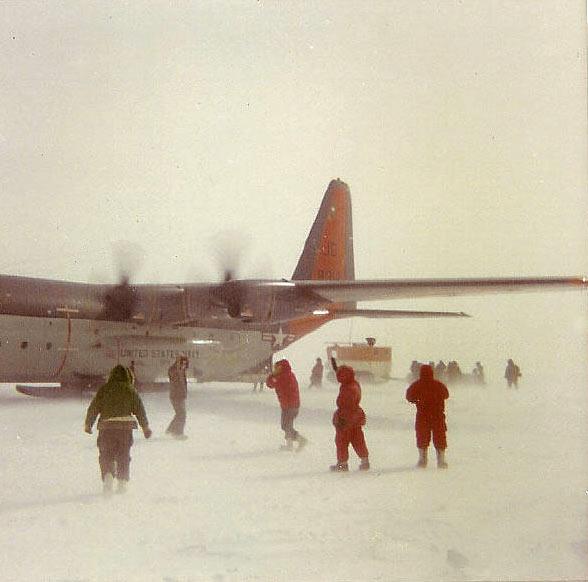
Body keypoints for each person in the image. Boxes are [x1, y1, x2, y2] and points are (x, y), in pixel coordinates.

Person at [84, 364, 152, 494]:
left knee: (106, 454)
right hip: (125, 429)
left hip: (107, 427)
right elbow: (139, 409)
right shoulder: (130, 390)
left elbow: (94, 407)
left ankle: (108, 476)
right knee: (123, 455)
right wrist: (145, 427)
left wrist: (88, 424)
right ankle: (122, 482)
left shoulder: (104, 389)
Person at [406, 364, 449, 469]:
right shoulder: (438, 384)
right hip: (438, 415)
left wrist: (417, 401)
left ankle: (422, 460)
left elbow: (409, 396)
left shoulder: (417, 385)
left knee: (422, 438)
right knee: (440, 437)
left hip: (422, 415)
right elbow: (446, 395)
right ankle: (441, 461)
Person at [330, 365, 370, 472]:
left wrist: (342, 418)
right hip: (356, 417)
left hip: (346, 418)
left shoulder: (348, 388)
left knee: (341, 441)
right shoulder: (354, 384)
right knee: (358, 439)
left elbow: (345, 404)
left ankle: (342, 464)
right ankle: (365, 460)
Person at [266, 359, 307, 451]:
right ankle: (290, 444)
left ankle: (299, 441)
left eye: (276, 368)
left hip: (289, 406)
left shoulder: (282, 376)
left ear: (280, 368)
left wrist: (272, 375)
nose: (275, 369)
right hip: (291, 405)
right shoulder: (289, 374)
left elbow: (270, 384)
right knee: (287, 425)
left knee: (286, 425)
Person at [166, 355, 189, 439]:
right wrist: (178, 367)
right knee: (182, 414)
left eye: (185, 364)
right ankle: (178, 432)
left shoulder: (182, 371)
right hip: (175, 396)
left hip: (181, 396)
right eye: (182, 363)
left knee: (180, 414)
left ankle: (171, 429)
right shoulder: (174, 370)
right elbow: (172, 375)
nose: (183, 365)